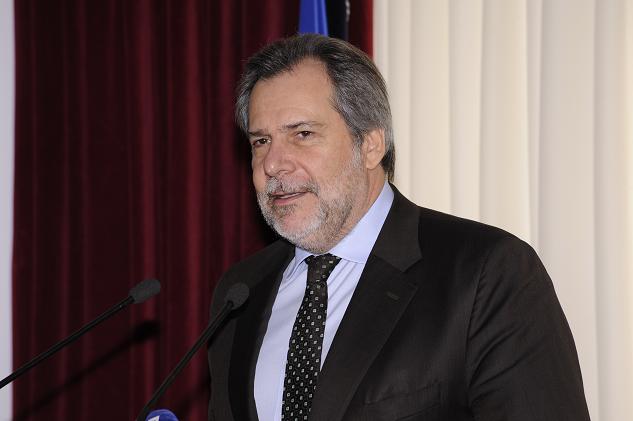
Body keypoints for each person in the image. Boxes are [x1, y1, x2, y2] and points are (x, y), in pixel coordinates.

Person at [207, 34, 590, 421]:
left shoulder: (486, 273)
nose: (273, 164)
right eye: (261, 141)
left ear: (371, 145)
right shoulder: (240, 291)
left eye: (302, 134)